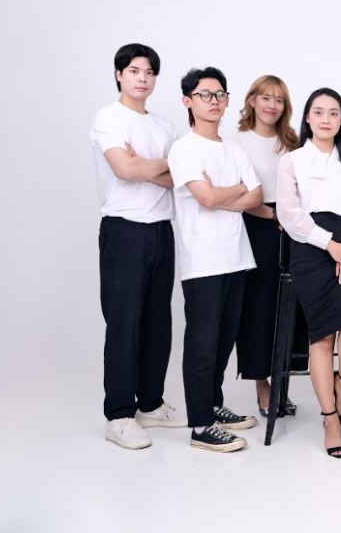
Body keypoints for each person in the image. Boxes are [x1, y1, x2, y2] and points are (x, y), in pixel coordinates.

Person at [91, 43, 186, 450]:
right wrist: (158, 165)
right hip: (124, 231)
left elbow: (179, 177)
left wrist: (146, 166)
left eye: (149, 72)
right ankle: (119, 415)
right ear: (119, 74)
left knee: (158, 325)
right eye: (134, 71)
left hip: (162, 230)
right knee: (124, 324)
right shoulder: (108, 118)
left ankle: (150, 403)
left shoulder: (164, 126)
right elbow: (124, 168)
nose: (142, 78)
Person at [168, 67, 264, 453]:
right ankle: (200, 426)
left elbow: (256, 196)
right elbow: (205, 199)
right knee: (203, 344)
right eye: (205, 94)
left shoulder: (234, 148)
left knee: (225, 341)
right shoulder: (184, 148)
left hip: (236, 257)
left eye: (220, 94)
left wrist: (223, 192)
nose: (214, 101)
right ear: (187, 101)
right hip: (204, 261)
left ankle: (212, 404)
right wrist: (235, 190)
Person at [276, 88, 341, 459]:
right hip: (311, 249)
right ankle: (330, 419)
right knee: (323, 335)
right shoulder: (292, 161)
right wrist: (330, 245)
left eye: (333, 113)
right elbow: (289, 215)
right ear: (308, 118)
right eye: (318, 112)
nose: (326, 119)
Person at [230, 75, 305, 419]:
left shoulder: (291, 142)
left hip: (292, 228)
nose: (272, 106)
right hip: (257, 227)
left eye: (279, 100)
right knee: (258, 307)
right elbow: (238, 193)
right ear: (252, 100)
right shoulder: (236, 141)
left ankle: (283, 381)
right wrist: (271, 214)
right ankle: (263, 385)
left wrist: (290, 218)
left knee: (290, 307)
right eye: (266, 98)